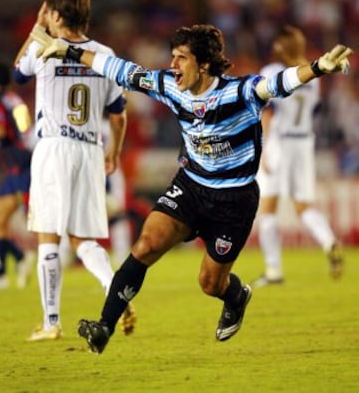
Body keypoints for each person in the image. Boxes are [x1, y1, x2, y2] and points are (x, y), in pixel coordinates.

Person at [30, 22, 352, 353]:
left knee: (210, 283)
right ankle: (104, 327)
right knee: (146, 244)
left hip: (233, 200)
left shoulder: (238, 93)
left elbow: (277, 83)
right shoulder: (170, 85)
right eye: (173, 57)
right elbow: (121, 70)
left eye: (181, 58)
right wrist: (68, 49)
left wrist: (317, 68)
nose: (173, 66)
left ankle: (237, 296)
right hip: (192, 186)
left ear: (204, 64)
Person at [13, 0, 136, 341]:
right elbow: (118, 112)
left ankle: (51, 322)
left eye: (47, 12)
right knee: (84, 238)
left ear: (54, 14)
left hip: (54, 147)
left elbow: (17, 72)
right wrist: (113, 152)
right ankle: (115, 290)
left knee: (48, 237)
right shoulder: (103, 53)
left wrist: (37, 28)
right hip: (89, 150)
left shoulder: (44, 47)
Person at [252, 26, 344, 288]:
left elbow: (267, 112)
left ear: (280, 46)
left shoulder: (272, 72)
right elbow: (314, 111)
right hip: (304, 142)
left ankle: (273, 270)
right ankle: (329, 241)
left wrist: (265, 147)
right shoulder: (313, 75)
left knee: (267, 208)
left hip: (279, 142)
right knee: (303, 206)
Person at [0, 62, 35, 289]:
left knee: (8, 220)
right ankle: (20, 258)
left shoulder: (3, 103)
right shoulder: (15, 101)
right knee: (1, 221)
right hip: (23, 161)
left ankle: (4, 272)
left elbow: (2, 133)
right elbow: (26, 130)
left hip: (19, 165)